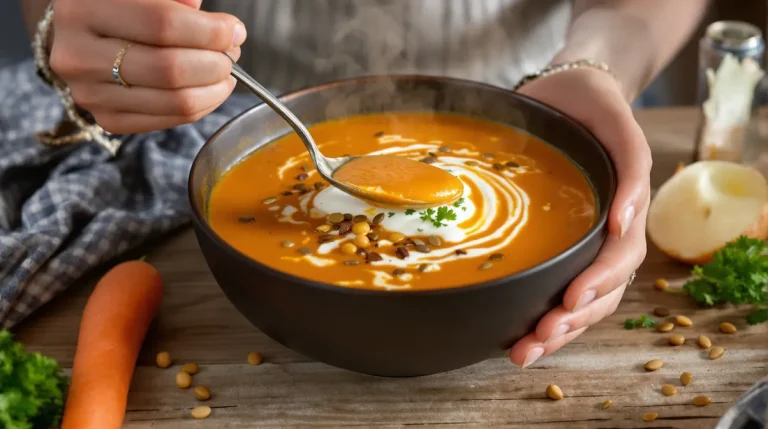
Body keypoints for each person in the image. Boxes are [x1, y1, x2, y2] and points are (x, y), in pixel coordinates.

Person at [14, 0, 709, 367]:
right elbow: (79, 11)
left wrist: (599, 60)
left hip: (548, 88)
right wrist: (87, 26)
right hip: (224, 105)